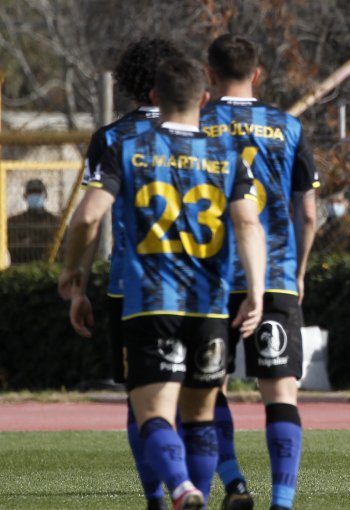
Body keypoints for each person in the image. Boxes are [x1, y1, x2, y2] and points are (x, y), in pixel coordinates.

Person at [59, 57, 266, 510]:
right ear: (204, 99)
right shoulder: (226, 155)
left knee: (152, 413)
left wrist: (72, 273)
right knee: (200, 418)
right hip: (210, 305)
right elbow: (250, 226)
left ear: (153, 97)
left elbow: (89, 217)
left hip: (150, 304)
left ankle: (180, 488)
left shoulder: (127, 148)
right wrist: (255, 291)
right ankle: (199, 493)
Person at [200, 33, 319, 510]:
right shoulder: (288, 127)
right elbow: (307, 212)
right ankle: (283, 503)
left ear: (208, 75)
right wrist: (301, 271)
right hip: (274, 274)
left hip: (210, 279)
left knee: (208, 390)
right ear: (258, 73)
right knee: (280, 393)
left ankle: (234, 483)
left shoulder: (196, 124)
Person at [66, 38, 184, 510]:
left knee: (141, 400)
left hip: (131, 288)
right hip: (198, 290)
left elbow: (90, 218)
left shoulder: (112, 139)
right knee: (198, 403)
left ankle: (159, 496)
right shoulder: (206, 135)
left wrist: (78, 283)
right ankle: (217, 481)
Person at [7, 178, 62, 264]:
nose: (35, 196)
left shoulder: (56, 222)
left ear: (45, 196)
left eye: (38, 192)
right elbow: (14, 250)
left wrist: (30, 242)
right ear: (25, 196)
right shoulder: (14, 222)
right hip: (21, 270)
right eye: (31, 193)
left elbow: (63, 249)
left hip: (50, 269)